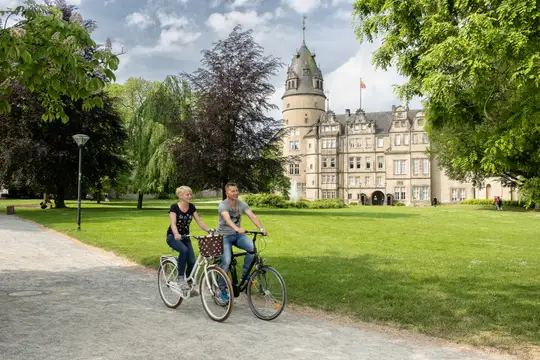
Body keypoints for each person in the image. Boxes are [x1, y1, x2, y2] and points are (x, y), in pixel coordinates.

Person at [217, 182, 268, 301]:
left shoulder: (241, 204)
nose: (235, 193)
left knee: (252, 249)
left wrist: (261, 229)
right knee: (226, 261)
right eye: (232, 191)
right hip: (224, 236)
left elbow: (252, 216)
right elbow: (227, 219)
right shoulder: (223, 205)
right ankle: (222, 290)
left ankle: (244, 277)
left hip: (237, 235)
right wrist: (236, 228)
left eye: (236, 190)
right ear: (227, 193)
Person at [166, 186, 212, 294]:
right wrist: (176, 233)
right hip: (173, 237)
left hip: (186, 237)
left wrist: (209, 231)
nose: (190, 196)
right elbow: (173, 224)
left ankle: (189, 282)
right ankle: (181, 278)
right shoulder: (174, 207)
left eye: (191, 194)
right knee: (184, 251)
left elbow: (199, 221)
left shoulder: (191, 207)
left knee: (192, 261)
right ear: (180, 196)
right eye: (187, 194)